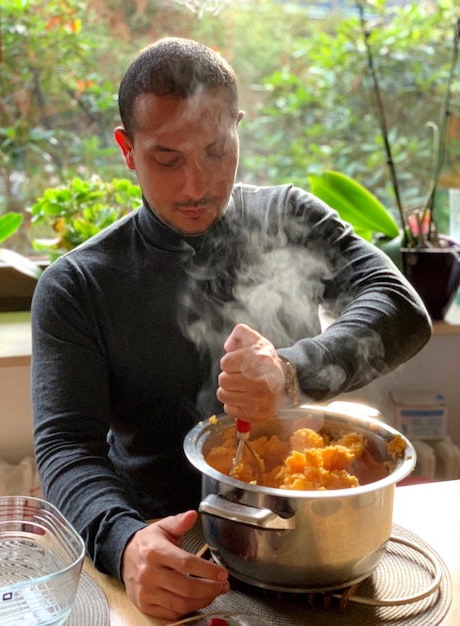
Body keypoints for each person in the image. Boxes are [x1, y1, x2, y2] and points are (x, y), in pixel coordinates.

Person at [31, 37, 431, 620]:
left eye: (217, 150)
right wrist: (124, 542)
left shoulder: (289, 217)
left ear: (239, 127)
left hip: (313, 543)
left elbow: (401, 308)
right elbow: (65, 448)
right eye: (167, 159)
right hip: (164, 549)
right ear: (127, 148)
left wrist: (293, 374)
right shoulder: (78, 286)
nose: (196, 185)